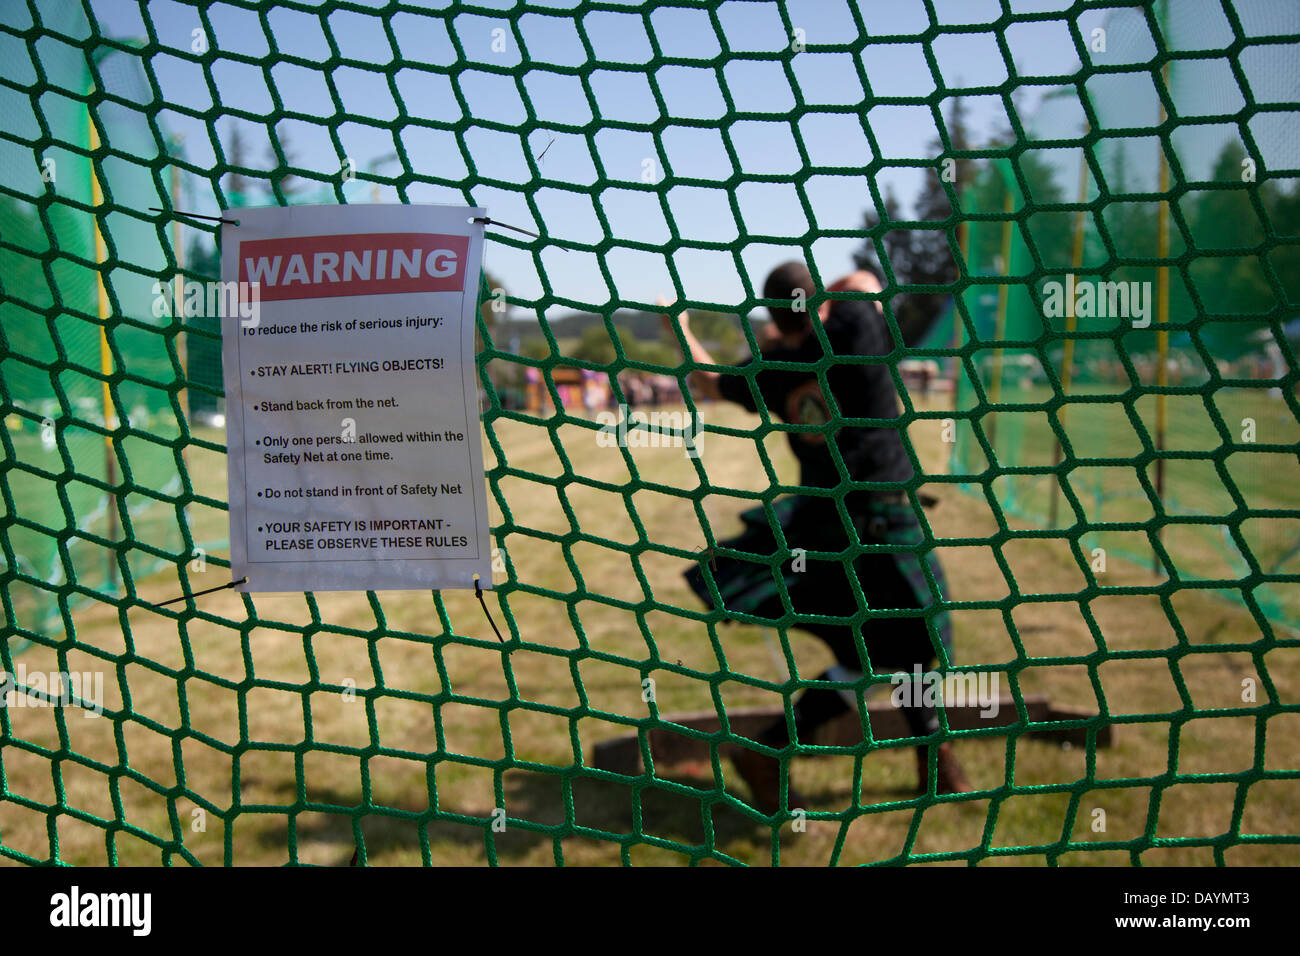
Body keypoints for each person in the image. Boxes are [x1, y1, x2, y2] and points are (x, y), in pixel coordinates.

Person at [660, 262, 970, 816]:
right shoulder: (851, 330)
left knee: (874, 653)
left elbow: (707, 380)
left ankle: (929, 766)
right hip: (879, 518)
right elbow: (866, 283)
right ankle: (784, 753)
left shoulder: (775, 368)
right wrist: (838, 291)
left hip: (823, 533)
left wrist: (676, 328)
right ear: (819, 303)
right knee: (913, 648)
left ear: (776, 316)